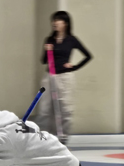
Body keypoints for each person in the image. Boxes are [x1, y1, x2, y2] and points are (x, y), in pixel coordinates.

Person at [38, 11, 92, 142]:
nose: (55, 23)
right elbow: (43, 61)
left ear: (65, 23)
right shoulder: (49, 40)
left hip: (65, 78)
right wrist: (47, 51)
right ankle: (45, 140)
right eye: (54, 20)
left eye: (58, 20)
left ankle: (63, 140)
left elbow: (88, 56)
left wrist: (74, 67)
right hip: (49, 76)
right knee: (45, 110)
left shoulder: (72, 40)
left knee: (66, 110)